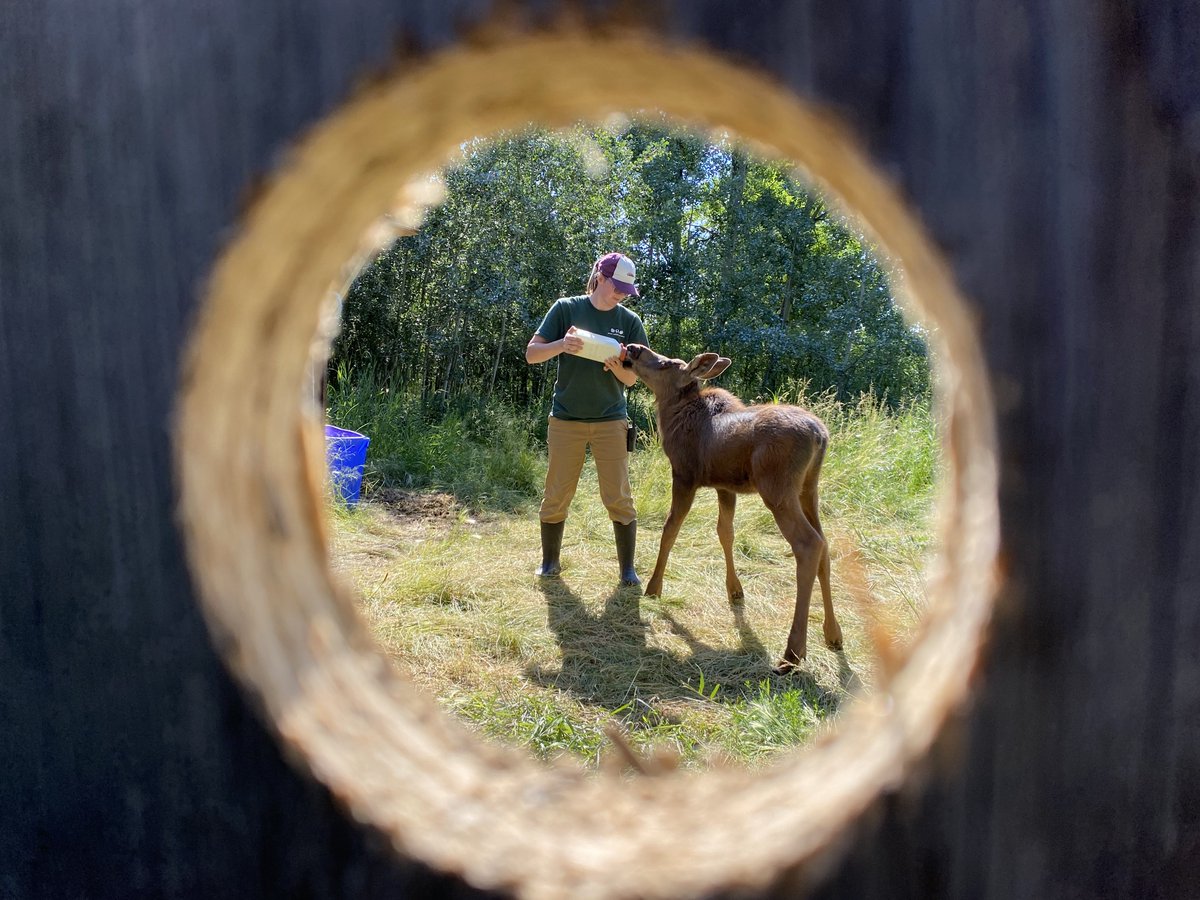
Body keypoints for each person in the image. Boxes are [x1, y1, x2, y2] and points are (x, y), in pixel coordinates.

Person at [525, 252, 649, 587]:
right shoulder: (566, 308)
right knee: (556, 494)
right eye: (617, 286)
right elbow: (532, 354)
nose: (622, 293)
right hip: (566, 419)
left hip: (612, 420)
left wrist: (617, 369)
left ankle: (627, 570)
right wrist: (562, 344)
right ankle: (549, 562)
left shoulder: (630, 322)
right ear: (601, 277)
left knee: (619, 496)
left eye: (627, 288)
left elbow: (633, 380)